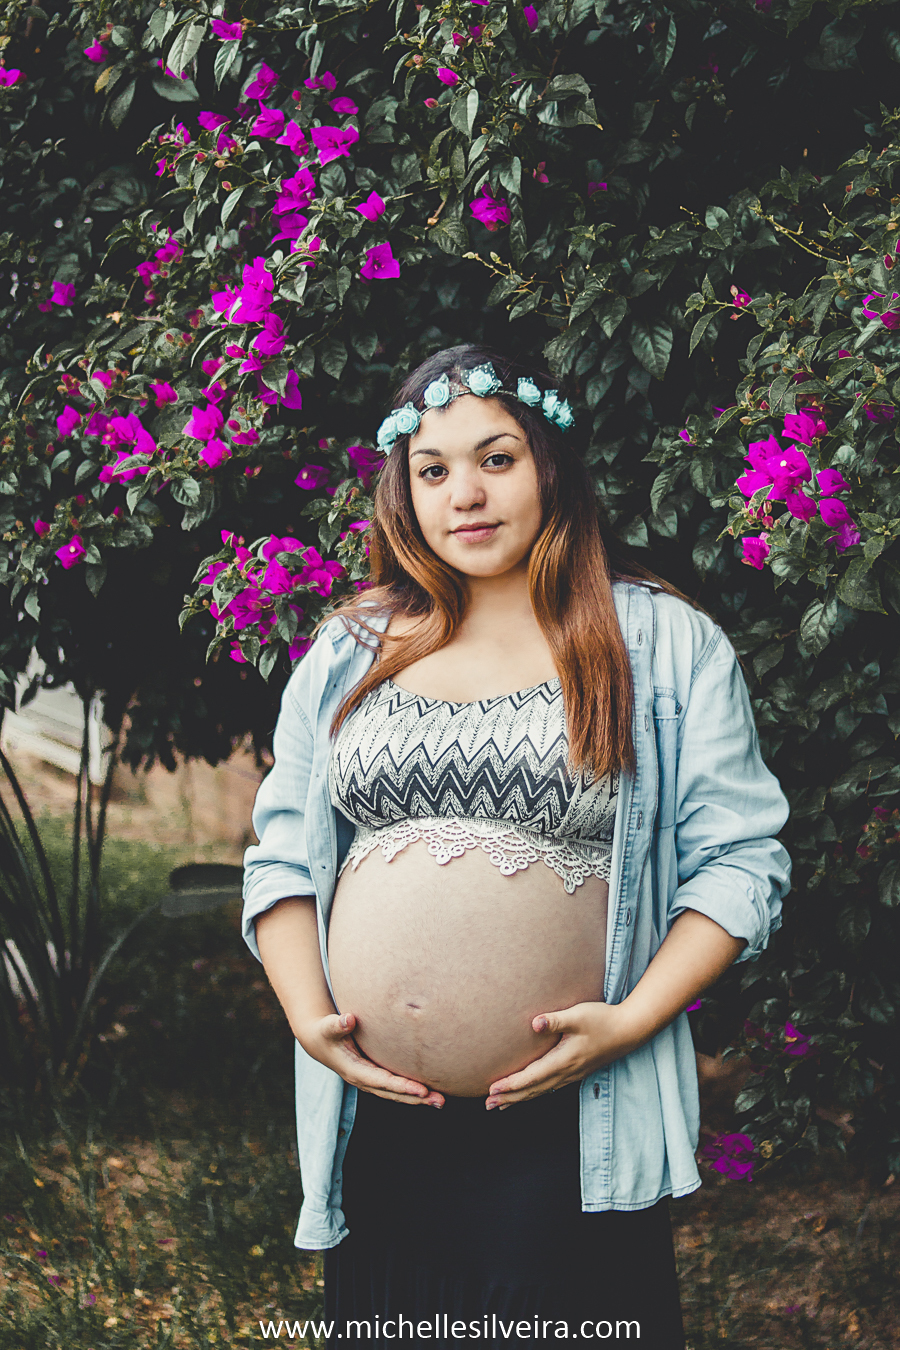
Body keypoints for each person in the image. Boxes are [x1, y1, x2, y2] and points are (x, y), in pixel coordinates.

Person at [241, 345, 792, 1348]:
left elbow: (743, 862)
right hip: (383, 1123)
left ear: (551, 464)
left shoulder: (660, 644)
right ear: (404, 492)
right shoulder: (350, 648)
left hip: (569, 1119)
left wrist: (628, 1023)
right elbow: (279, 854)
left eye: (497, 458)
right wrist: (309, 1016)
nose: (466, 494)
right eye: (435, 469)